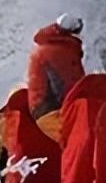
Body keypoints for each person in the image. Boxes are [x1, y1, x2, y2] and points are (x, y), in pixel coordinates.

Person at [27, 13, 85, 143]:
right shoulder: (61, 52)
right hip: (52, 110)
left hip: (42, 110)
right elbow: (68, 87)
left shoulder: (47, 47)